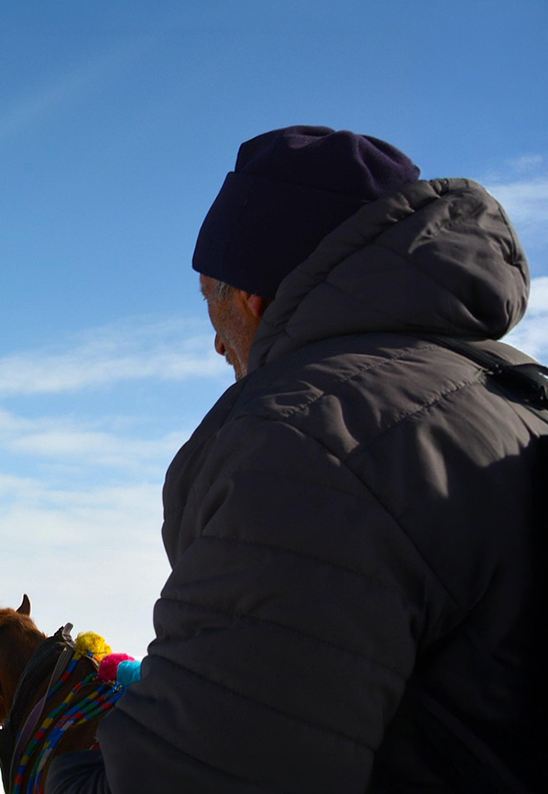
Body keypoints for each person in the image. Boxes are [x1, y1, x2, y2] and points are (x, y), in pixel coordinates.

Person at [48, 126, 542, 792]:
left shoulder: (307, 443)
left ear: (254, 298)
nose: (217, 345)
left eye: (211, 300)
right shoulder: (514, 394)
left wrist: (59, 775)